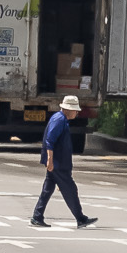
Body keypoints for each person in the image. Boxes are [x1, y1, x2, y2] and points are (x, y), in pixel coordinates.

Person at [32, 94, 96, 229]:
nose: (77, 112)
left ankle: (37, 216)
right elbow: (50, 140)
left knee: (47, 189)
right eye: (75, 110)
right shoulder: (59, 120)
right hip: (58, 163)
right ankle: (81, 218)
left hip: (58, 162)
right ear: (68, 109)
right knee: (71, 190)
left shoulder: (61, 119)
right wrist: (50, 160)